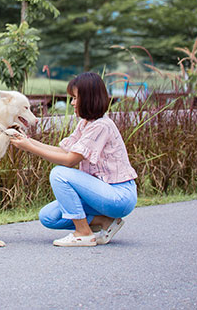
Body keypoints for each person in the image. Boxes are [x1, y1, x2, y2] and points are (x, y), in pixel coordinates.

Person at [9, 72, 138, 247]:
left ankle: (83, 233)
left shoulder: (101, 125)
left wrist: (28, 147)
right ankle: (106, 221)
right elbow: (64, 150)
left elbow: (70, 161)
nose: (72, 103)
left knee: (60, 174)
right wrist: (27, 141)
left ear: (88, 98)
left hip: (118, 196)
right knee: (48, 217)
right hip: (100, 194)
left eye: (75, 98)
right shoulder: (86, 123)